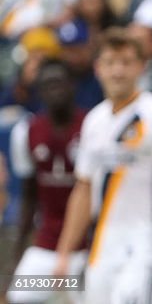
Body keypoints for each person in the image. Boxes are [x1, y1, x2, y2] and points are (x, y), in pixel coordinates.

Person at [53, 28, 152, 304]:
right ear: (98, 68)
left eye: (126, 63)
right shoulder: (93, 121)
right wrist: (64, 252)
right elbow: (83, 190)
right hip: (102, 246)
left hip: (147, 245)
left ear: (141, 67)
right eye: (110, 63)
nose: (118, 71)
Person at [5, 61, 87, 304]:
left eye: (59, 83)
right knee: (19, 296)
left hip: (88, 246)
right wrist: (19, 250)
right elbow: (29, 194)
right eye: (47, 86)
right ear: (39, 92)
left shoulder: (92, 126)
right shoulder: (27, 132)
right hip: (47, 243)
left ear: (72, 86)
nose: (55, 91)